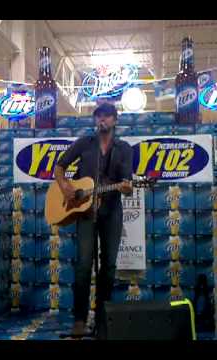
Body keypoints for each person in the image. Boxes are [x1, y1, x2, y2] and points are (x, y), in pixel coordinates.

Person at [54, 102, 133, 337]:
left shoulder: (124, 149)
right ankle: (79, 319)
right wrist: (66, 187)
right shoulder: (84, 144)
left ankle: (102, 318)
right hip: (86, 211)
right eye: (99, 117)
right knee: (83, 265)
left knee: (108, 266)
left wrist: (127, 187)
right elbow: (59, 168)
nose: (103, 120)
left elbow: (126, 183)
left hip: (112, 212)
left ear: (115, 121)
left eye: (107, 117)